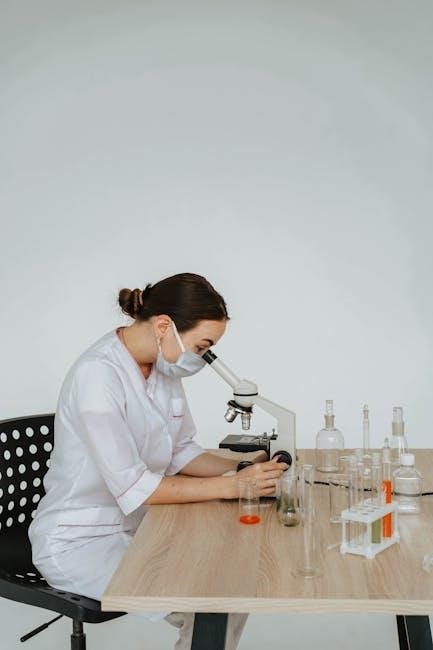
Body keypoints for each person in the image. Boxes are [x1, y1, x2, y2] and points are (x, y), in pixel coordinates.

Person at [29, 272, 287, 650]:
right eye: (202, 347)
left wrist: (245, 468)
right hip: (80, 542)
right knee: (208, 604)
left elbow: (180, 451)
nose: (203, 358)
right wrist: (233, 486)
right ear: (164, 326)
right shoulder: (97, 376)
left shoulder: (161, 367)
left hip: (142, 527)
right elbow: (136, 487)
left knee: (231, 585)